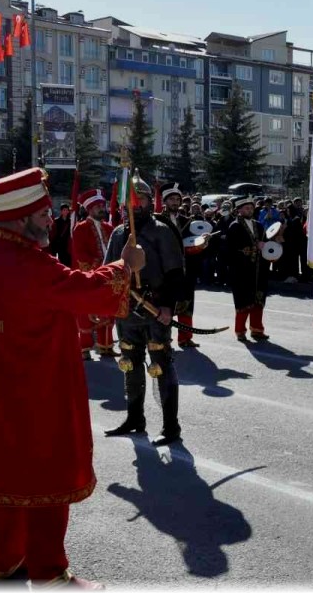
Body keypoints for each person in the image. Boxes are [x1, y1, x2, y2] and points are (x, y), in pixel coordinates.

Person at [0, 168, 143, 588]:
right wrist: (125, 265)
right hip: (36, 393)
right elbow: (81, 288)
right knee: (46, 477)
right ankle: (49, 571)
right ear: (21, 218)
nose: (50, 220)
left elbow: (36, 309)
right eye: (42, 214)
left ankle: (4, 561)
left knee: (6, 479)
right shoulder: (27, 264)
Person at [104, 178, 186, 447]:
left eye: (141, 200)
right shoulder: (118, 234)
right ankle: (134, 418)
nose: (136, 206)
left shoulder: (162, 231)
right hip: (126, 309)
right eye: (131, 201)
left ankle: (171, 427)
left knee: (160, 363)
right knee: (129, 362)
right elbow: (107, 273)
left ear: (150, 202)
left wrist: (167, 307)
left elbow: (175, 274)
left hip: (155, 307)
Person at [70, 189, 119, 360]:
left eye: (103, 205)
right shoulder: (80, 228)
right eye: (98, 206)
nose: (102, 208)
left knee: (107, 309)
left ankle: (106, 345)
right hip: (88, 277)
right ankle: (84, 348)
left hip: (108, 276)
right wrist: (99, 266)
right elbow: (80, 254)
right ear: (89, 209)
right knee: (86, 312)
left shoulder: (109, 227)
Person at [155, 183, 200, 348]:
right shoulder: (156, 220)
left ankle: (185, 337)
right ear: (165, 201)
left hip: (186, 270)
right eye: (171, 199)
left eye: (177, 199)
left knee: (187, 304)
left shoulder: (187, 221)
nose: (175, 202)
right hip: (165, 271)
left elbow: (192, 244)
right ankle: (163, 339)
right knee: (166, 305)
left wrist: (201, 243)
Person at [226, 196, 271, 342]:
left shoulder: (259, 225)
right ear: (239, 210)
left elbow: (265, 244)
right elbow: (231, 250)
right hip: (241, 271)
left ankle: (257, 329)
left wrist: (269, 247)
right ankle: (240, 331)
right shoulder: (235, 226)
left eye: (251, 208)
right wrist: (254, 248)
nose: (249, 210)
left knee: (258, 301)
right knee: (243, 302)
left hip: (259, 270)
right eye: (246, 208)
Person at [49, 203, 73, 267]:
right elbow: (53, 233)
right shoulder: (57, 221)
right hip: (60, 244)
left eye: (67, 210)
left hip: (68, 244)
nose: (65, 211)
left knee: (69, 260)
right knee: (62, 260)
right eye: (64, 210)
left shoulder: (71, 221)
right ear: (61, 211)